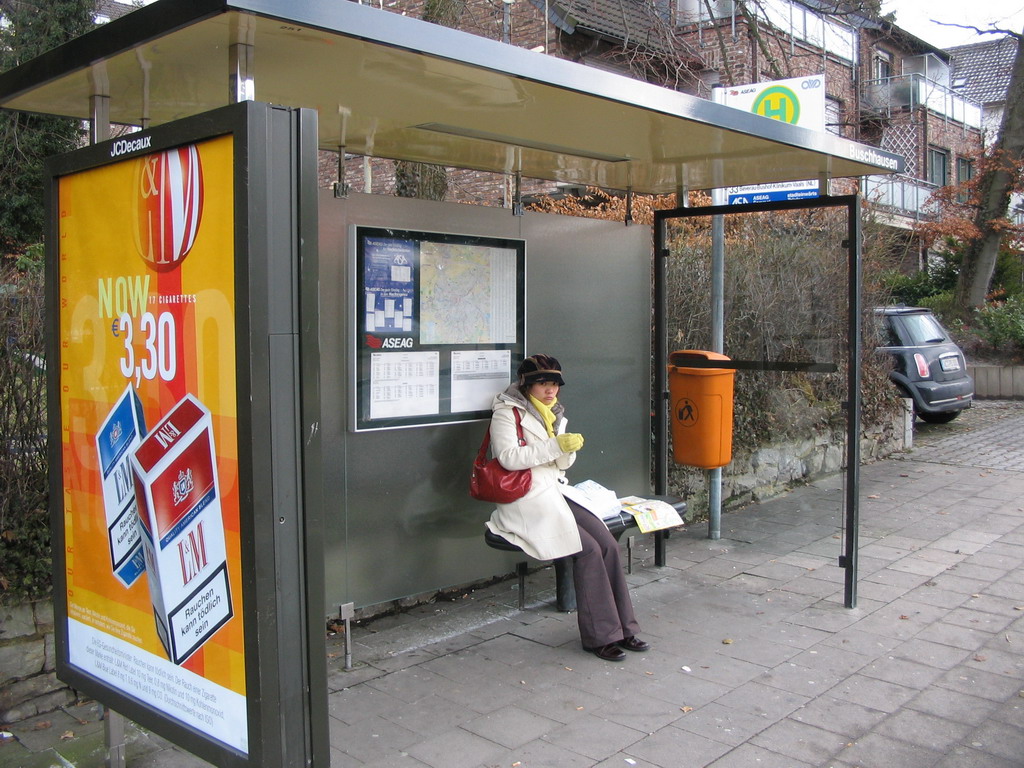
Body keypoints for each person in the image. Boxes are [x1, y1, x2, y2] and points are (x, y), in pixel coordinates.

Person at [485, 354, 650, 662]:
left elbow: (560, 464)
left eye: (554, 385)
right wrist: (556, 446)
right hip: (525, 499)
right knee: (585, 549)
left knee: (607, 544)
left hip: (555, 492)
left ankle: (625, 628)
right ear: (525, 385)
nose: (550, 391)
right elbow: (507, 457)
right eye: (542, 384)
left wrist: (567, 450)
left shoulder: (555, 413)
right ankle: (600, 636)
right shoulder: (507, 413)